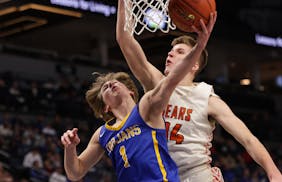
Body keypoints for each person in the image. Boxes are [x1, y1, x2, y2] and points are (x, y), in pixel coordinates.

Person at [116, 0, 282, 182]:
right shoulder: (157, 84)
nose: (170, 54)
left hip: (197, 175)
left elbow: (247, 139)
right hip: (161, 175)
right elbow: (125, 41)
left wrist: (272, 171)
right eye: (171, 51)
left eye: (179, 52)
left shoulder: (207, 98)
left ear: (194, 64)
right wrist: (125, 3)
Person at [60, 13, 214, 181]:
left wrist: (199, 47)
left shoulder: (146, 107)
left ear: (131, 92)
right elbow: (75, 172)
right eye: (105, 87)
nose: (111, 84)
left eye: (115, 83)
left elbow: (172, 79)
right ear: (106, 107)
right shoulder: (102, 134)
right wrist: (70, 148)